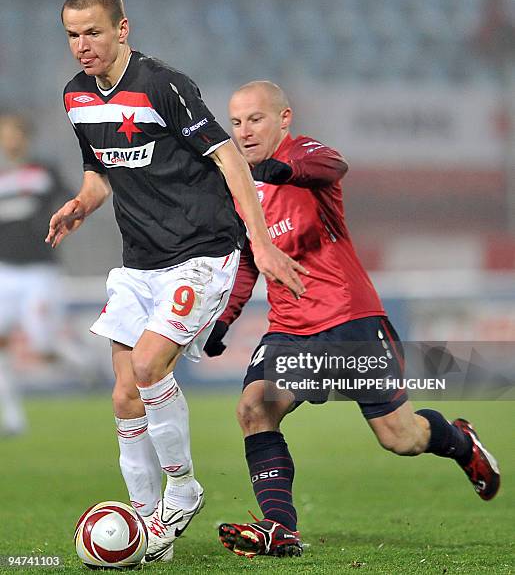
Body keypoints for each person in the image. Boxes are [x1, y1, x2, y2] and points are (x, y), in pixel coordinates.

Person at [46, 0, 306, 564]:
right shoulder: (76, 97)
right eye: (72, 34)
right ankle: (144, 520)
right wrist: (82, 206)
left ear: (122, 29)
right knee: (122, 395)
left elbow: (229, 157)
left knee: (147, 364)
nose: (82, 45)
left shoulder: (162, 83)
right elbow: (99, 171)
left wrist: (260, 245)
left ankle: (182, 488)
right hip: (138, 262)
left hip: (201, 250)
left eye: (93, 32)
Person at [203, 80, 501, 558]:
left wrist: (280, 169)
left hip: (348, 319)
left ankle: (460, 442)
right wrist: (225, 319)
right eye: (236, 122)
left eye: (255, 119)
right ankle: (280, 527)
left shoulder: (305, 156)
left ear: (284, 118)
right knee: (254, 409)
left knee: (400, 438)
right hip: (289, 328)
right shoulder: (238, 185)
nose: (244, 131)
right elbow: (248, 258)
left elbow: (334, 163)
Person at [0, 113, 69, 436]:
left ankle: (87, 368)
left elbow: (70, 201)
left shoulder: (44, 170)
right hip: (4, 269)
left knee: (42, 344)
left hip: (39, 268)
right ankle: (13, 417)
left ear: (25, 136)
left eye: (13, 132)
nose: (8, 139)